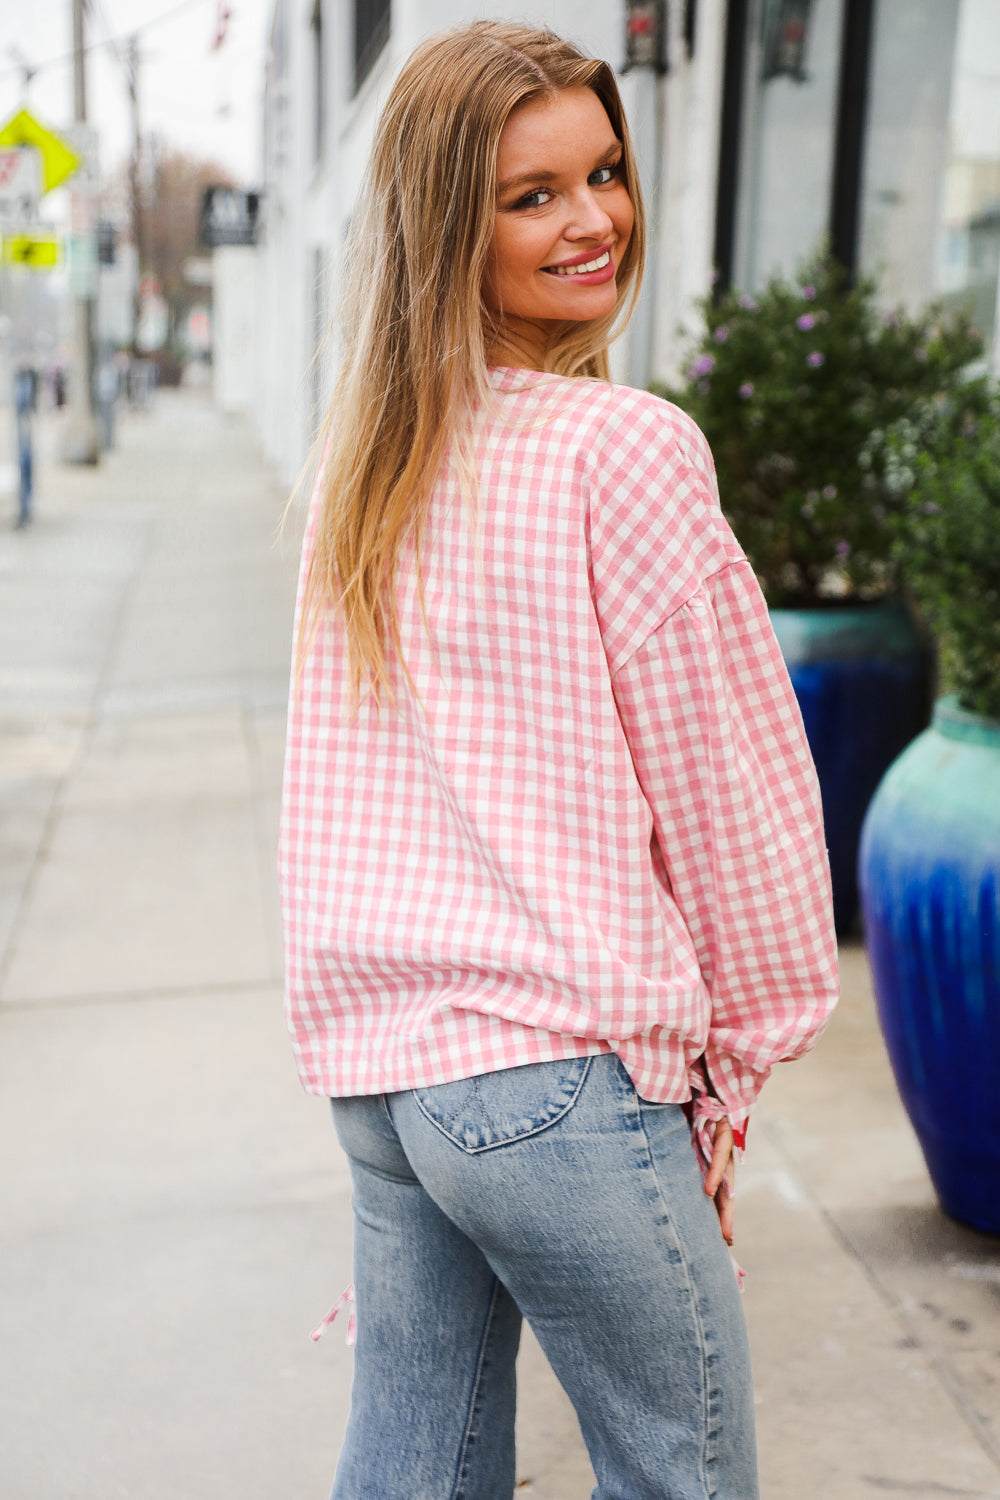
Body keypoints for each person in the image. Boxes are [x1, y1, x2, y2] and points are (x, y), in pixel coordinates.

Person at [279, 21, 838, 1499]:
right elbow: (735, 794)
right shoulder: (624, 451)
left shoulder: (368, 465)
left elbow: (339, 784)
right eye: (532, 196)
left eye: (604, 172)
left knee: (412, 1469)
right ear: (446, 224)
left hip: (394, 1078)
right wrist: (739, 1060)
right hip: (557, 1086)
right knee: (684, 1475)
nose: (594, 220)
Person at [13, 361, 38, 530]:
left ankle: (25, 509)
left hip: (24, 432)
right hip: (22, 432)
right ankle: (24, 509)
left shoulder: (26, 382)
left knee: (25, 465)